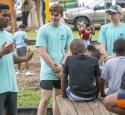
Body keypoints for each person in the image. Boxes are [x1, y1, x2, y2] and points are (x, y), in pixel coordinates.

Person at [36, 4, 73, 115]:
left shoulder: (67, 30)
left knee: (58, 99)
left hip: (62, 69)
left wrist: (61, 66)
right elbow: (42, 52)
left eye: (56, 15)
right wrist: (55, 68)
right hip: (47, 71)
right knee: (45, 99)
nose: (53, 17)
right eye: (51, 15)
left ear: (61, 15)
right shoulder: (43, 30)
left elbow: (69, 50)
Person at [0, 4, 33, 115]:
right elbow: (4, 54)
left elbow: (11, 58)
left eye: (9, 15)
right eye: (4, 15)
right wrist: (2, 52)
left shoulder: (10, 35)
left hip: (12, 86)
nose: (8, 18)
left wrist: (23, 59)